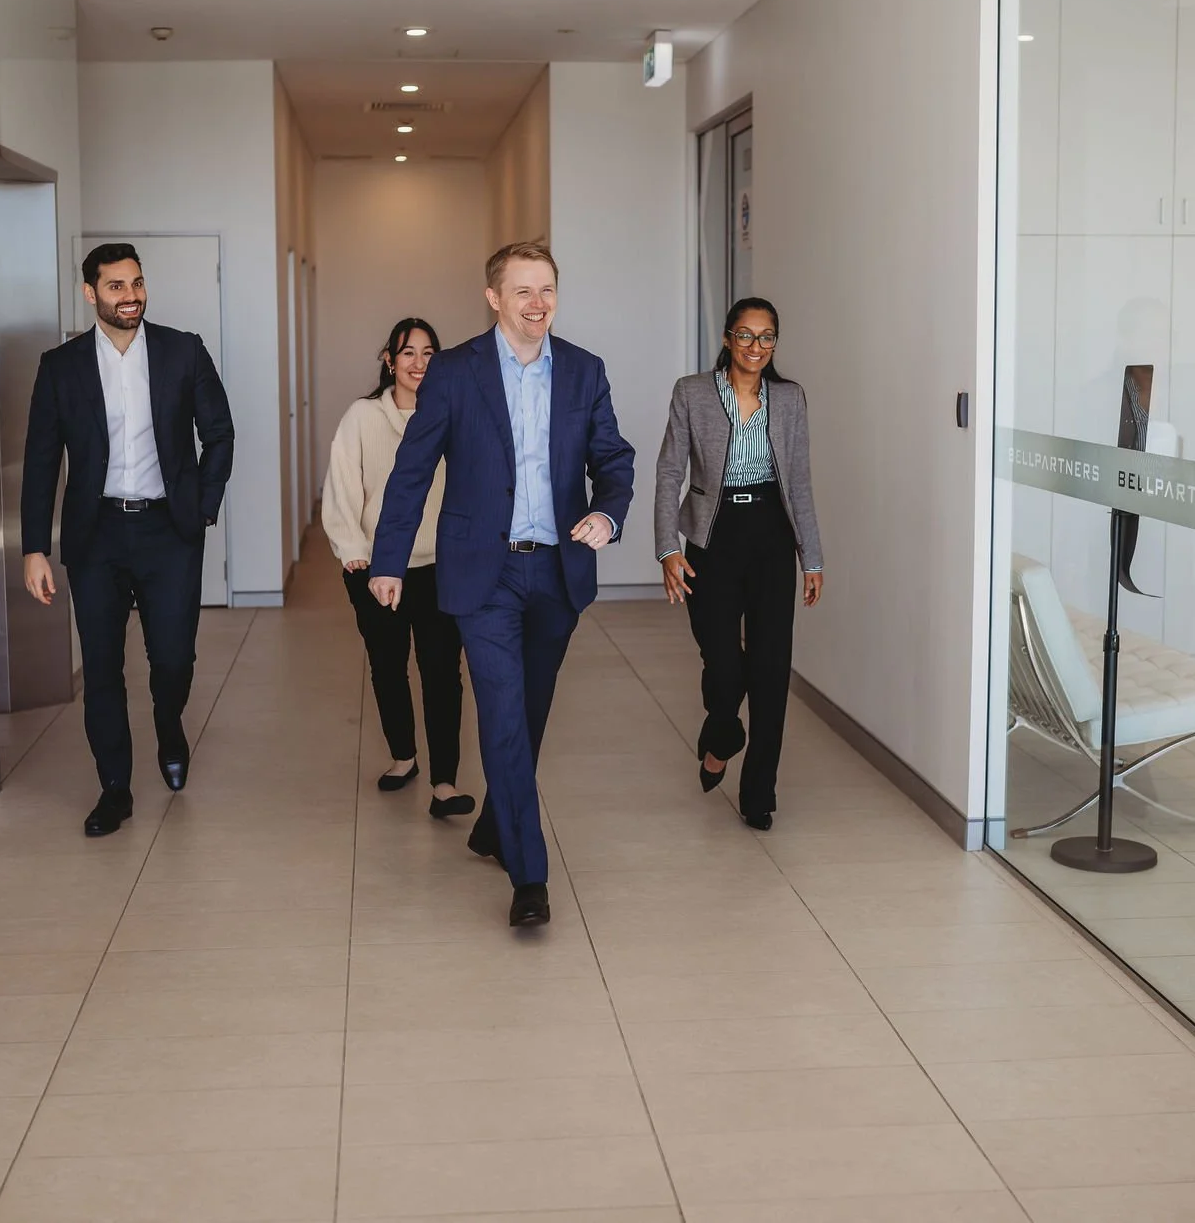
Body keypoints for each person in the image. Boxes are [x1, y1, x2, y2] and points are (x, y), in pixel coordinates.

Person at [370, 241, 636, 927]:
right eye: (523, 290)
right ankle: (530, 875)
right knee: (502, 713)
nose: (538, 303)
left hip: (557, 569)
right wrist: (388, 561)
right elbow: (412, 469)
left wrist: (607, 512)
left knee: (530, 712)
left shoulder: (583, 370)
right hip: (482, 573)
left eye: (547, 289)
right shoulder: (455, 371)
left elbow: (613, 458)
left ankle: (495, 825)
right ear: (494, 298)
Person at [21, 241, 235, 837]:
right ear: (90, 293)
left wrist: (202, 508)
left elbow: (219, 433)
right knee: (102, 668)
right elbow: (41, 460)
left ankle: (170, 725)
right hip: (96, 534)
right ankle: (114, 789)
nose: (130, 295)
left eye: (136, 283)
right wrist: (34, 547)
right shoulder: (60, 366)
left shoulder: (182, 351)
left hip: (169, 531)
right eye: (116, 286)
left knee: (173, 657)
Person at [655, 297, 825, 832]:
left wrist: (812, 557)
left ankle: (758, 794)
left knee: (771, 669)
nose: (756, 346)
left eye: (766, 336)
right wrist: (668, 548)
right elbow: (669, 472)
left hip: (772, 536)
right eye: (746, 335)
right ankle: (723, 732)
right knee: (724, 664)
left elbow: (799, 481)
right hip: (714, 536)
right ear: (728, 338)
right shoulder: (692, 392)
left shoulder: (790, 398)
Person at [321, 318, 472, 819]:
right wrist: (352, 549)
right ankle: (404, 756)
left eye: (429, 354)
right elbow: (342, 487)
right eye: (408, 353)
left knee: (442, 672)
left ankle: (445, 782)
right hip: (376, 566)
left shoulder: (452, 414)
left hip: (440, 567)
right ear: (389, 360)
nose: (419, 363)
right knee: (388, 665)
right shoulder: (362, 417)